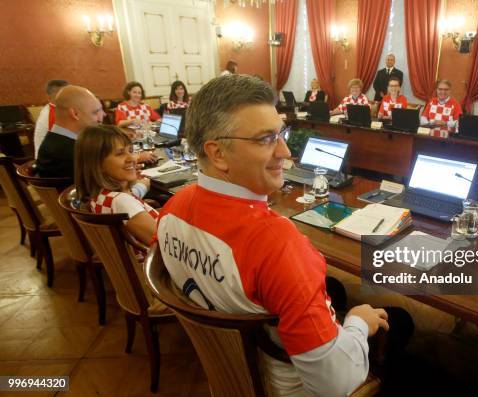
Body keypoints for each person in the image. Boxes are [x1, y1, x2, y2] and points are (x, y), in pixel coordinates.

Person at [157, 75, 413, 397]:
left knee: (333, 289)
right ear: (217, 154)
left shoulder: (171, 208)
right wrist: (359, 323)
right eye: (265, 139)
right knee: (400, 321)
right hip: (286, 387)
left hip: (231, 373)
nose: (285, 150)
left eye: (281, 133)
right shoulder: (277, 245)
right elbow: (335, 384)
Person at [75, 125, 157, 245]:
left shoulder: (101, 195)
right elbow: (168, 246)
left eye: (131, 151)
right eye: (120, 153)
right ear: (98, 164)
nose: (132, 158)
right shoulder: (122, 202)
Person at [36, 85, 105, 182]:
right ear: (75, 114)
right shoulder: (69, 152)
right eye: (95, 112)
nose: (103, 115)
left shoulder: (57, 140)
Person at [34, 79, 69, 157]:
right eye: (61, 95)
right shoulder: (52, 113)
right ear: (49, 97)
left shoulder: (59, 109)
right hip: (49, 162)